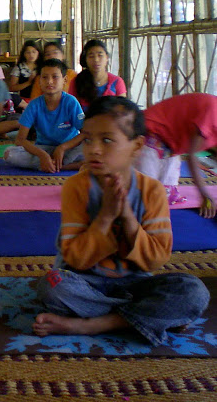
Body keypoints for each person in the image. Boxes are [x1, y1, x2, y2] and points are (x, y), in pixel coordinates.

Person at [34, 96, 209, 346]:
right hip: (85, 280)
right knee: (52, 286)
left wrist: (127, 216)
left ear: (137, 146)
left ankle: (95, 323)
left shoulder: (152, 191)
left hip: (135, 283)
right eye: (87, 139)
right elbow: (75, 259)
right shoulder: (76, 187)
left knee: (193, 291)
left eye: (107, 140)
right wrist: (105, 216)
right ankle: (147, 316)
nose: (94, 149)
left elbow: (157, 258)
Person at [134, 93, 217, 214]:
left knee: (167, 196)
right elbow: (191, 156)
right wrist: (205, 194)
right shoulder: (213, 111)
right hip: (150, 133)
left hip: (172, 146)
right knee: (144, 197)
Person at [2, 59, 85, 172]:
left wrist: (62, 148)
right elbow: (20, 140)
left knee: (90, 148)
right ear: (39, 80)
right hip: (44, 148)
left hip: (69, 149)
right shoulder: (34, 105)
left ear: (64, 80)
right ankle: (60, 165)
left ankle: (55, 165)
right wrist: (42, 155)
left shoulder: (71, 102)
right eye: (44, 77)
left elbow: (84, 133)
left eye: (55, 77)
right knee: (9, 154)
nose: (49, 81)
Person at [69, 39, 126, 110]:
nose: (96, 59)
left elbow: (123, 111)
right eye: (91, 56)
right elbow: (71, 111)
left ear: (107, 57)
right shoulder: (76, 82)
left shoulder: (117, 82)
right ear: (85, 59)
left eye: (100, 55)